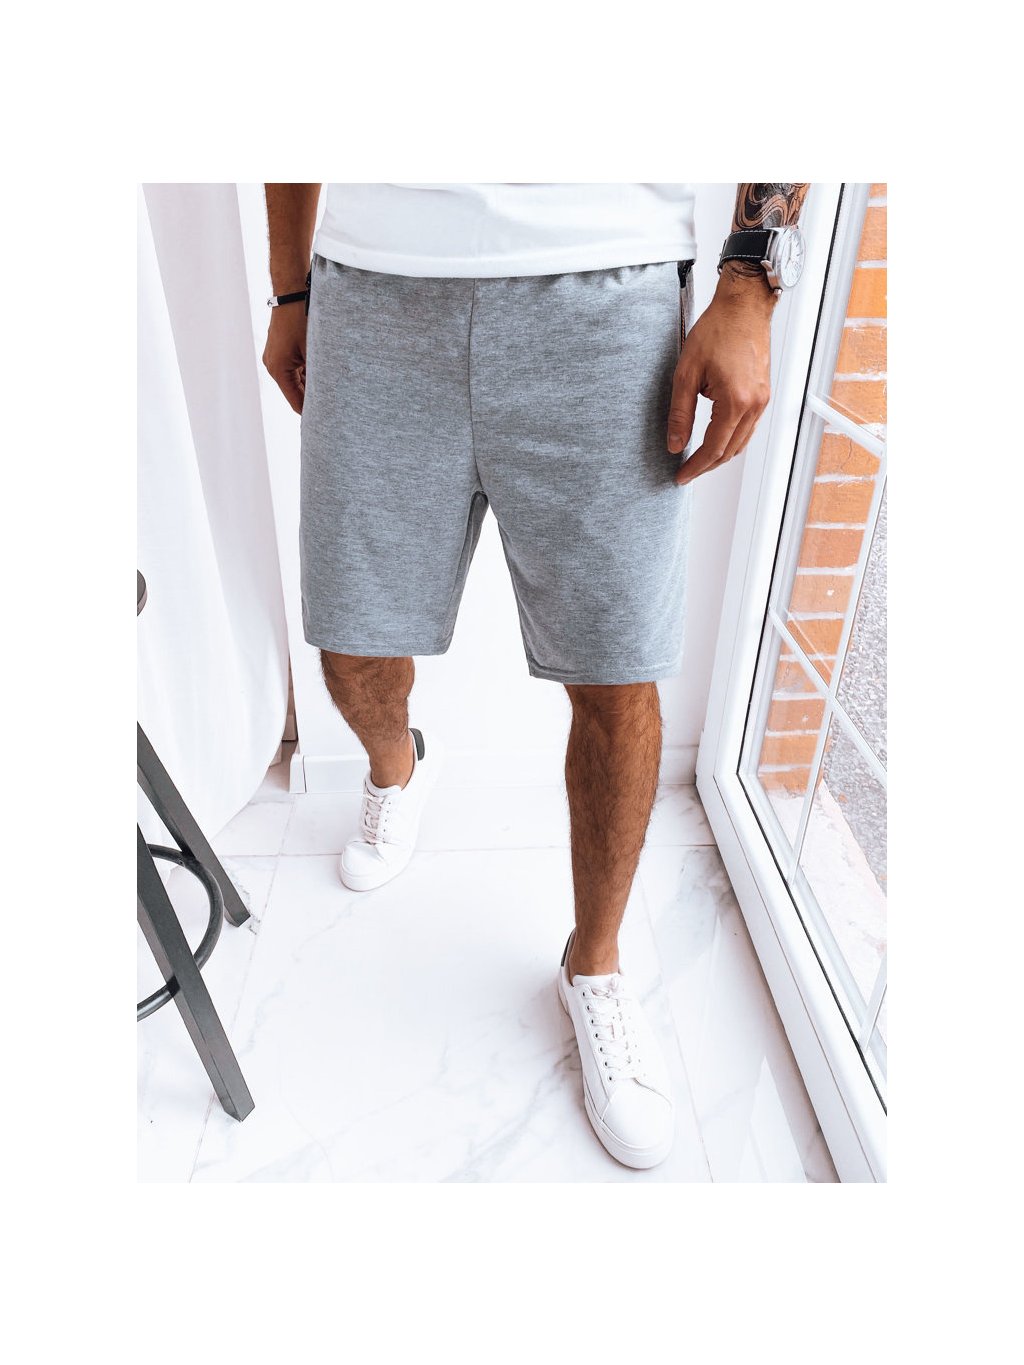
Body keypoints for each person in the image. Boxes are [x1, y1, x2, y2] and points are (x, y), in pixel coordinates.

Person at [262, 182, 809, 1170]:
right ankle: (397, 767)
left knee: (616, 674)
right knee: (351, 640)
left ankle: (594, 967)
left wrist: (749, 281)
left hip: (604, 293)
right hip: (373, 290)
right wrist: (290, 289)